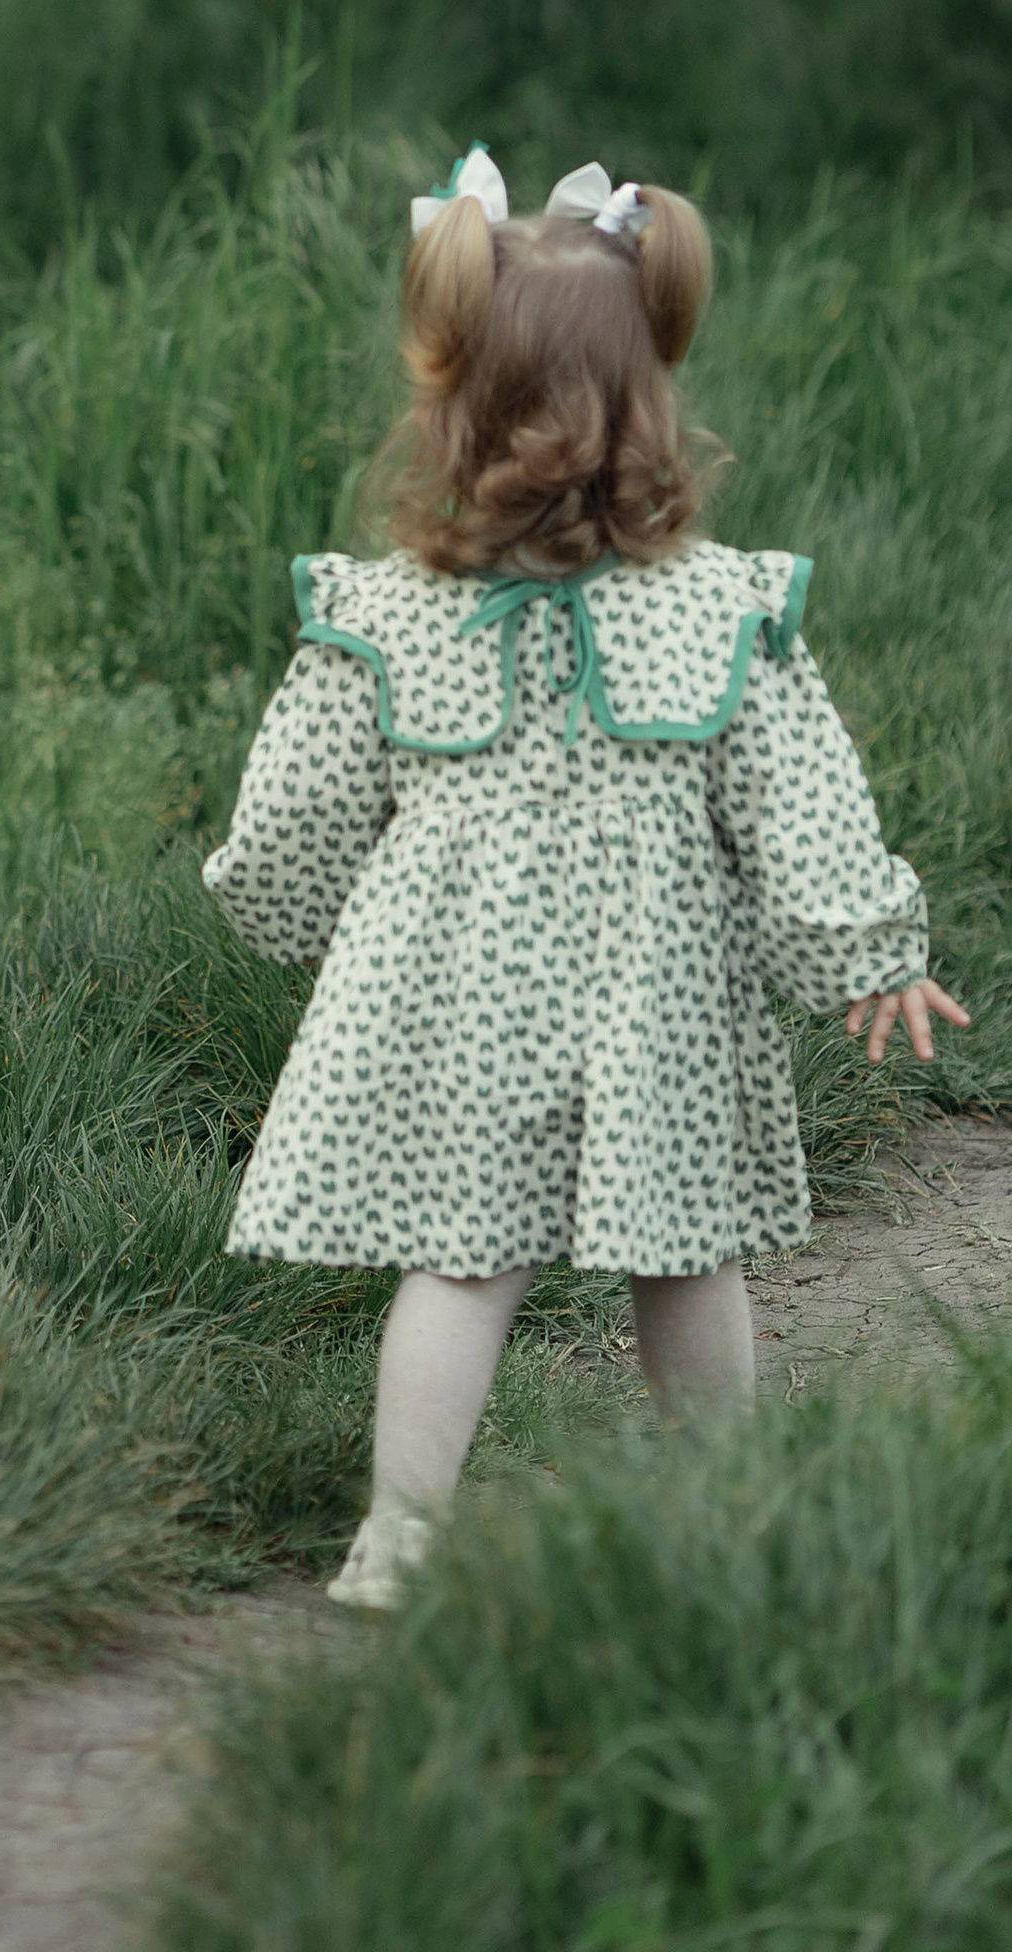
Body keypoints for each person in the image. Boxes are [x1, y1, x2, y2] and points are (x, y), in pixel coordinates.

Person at [202, 148, 968, 1614]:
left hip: (458, 992)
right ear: (648, 402)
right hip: (659, 994)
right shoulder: (721, 611)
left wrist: (284, 909)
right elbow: (798, 798)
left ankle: (401, 1535)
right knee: (686, 1259)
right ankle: (715, 1510)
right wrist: (867, 943)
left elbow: (296, 808)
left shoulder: (385, 614)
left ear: (449, 403)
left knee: (461, 1263)